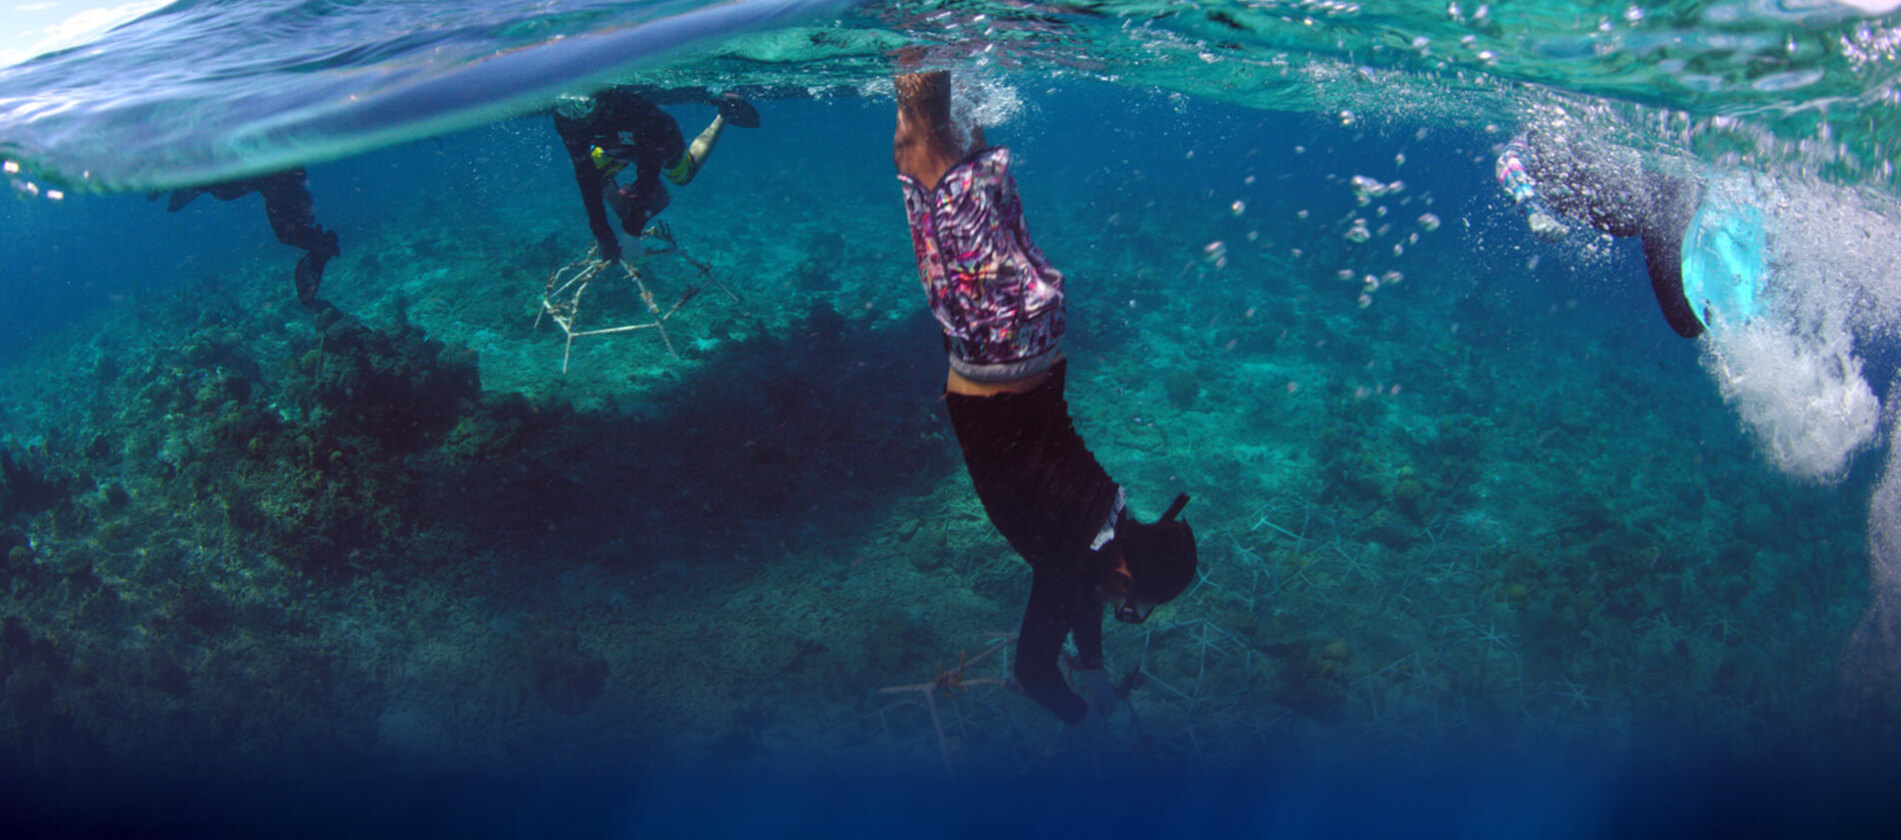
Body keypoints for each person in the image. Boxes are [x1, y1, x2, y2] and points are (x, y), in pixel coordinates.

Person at [892, 70, 1200, 729]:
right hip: (988, 342)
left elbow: (1084, 594)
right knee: (919, 154)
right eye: (1131, 604)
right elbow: (1031, 672)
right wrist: (1088, 723)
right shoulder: (1071, 561)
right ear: (1124, 569)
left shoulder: (1110, 511)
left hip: (1037, 324)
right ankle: (919, 38)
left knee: (967, 164)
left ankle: (958, 56)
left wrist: (1091, 669)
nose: (1124, 610)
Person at [552, 87, 759, 265]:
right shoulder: (566, 120)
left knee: (683, 176)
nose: (576, 117)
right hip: (613, 146)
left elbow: (648, 168)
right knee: (596, 179)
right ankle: (636, 205)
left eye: (582, 107)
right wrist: (602, 232)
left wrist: (632, 231)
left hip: (660, 141)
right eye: (568, 109)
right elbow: (584, 173)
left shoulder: (630, 110)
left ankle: (723, 116)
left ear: (600, 102)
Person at [162, 168, 340, 307]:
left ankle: (320, 247)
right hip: (271, 173)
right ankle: (320, 247)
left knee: (287, 231)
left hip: (270, 171)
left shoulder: (230, 182)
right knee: (287, 231)